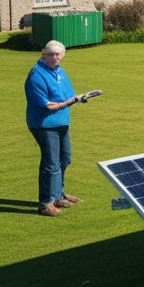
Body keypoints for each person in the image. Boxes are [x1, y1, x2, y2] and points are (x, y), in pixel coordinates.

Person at [25, 40, 94, 217]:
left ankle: (57, 195)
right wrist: (71, 101)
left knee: (65, 158)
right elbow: (48, 106)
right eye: (51, 54)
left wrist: (79, 98)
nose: (55, 57)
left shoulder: (59, 72)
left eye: (58, 54)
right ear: (43, 53)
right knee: (51, 162)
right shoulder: (36, 75)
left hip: (61, 122)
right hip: (44, 124)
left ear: (63, 55)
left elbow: (68, 96)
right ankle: (45, 203)